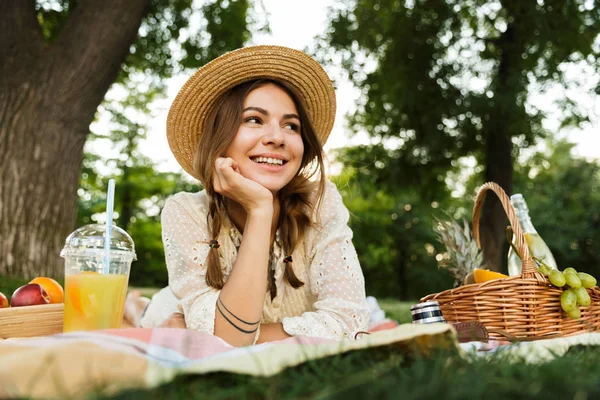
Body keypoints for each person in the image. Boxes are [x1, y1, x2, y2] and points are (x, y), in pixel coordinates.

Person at [124, 45, 370, 347]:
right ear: (219, 139)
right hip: (168, 308)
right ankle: (135, 305)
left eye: (291, 126)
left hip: (199, 323)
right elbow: (229, 341)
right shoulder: (186, 211)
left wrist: (210, 333)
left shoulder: (322, 202)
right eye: (254, 119)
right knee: (149, 313)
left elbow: (350, 323)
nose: (277, 138)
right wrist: (260, 210)